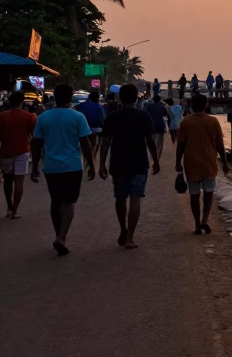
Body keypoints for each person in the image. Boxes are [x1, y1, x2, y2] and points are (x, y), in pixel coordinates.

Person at [30, 83, 95, 255]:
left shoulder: (44, 118)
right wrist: (92, 165)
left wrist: (35, 166)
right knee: (69, 202)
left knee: (56, 201)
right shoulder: (78, 117)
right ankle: (61, 237)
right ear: (70, 98)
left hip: (52, 167)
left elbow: (36, 143)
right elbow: (85, 144)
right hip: (72, 166)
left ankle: (58, 234)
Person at [99, 84, 160, 249]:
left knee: (120, 197)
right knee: (135, 198)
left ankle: (123, 229)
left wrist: (101, 164)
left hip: (118, 163)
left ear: (119, 97)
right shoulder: (144, 116)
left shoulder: (112, 117)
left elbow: (105, 142)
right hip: (139, 162)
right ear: (136, 98)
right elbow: (151, 141)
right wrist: (156, 160)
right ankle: (130, 237)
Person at [175, 92, 228, 235]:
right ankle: (205, 220)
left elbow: (180, 145)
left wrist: (177, 162)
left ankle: (197, 224)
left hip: (191, 163)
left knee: (194, 195)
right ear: (206, 105)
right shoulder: (213, 121)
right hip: (209, 163)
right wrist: (225, 162)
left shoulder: (186, 122)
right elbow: (219, 145)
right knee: (208, 194)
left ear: (191, 105)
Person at [0, 90, 37, 219]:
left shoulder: (2, 116)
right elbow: (33, 134)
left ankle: (9, 207)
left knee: (7, 181)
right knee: (19, 182)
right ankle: (15, 210)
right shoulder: (29, 116)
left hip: (5, 152)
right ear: (22, 102)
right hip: (22, 151)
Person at [146, 93, 170, 159]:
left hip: (151, 127)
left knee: (152, 143)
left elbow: (147, 116)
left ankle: (152, 157)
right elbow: (167, 115)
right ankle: (157, 158)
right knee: (160, 144)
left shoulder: (150, 106)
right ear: (160, 100)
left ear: (153, 100)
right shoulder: (162, 106)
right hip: (160, 126)